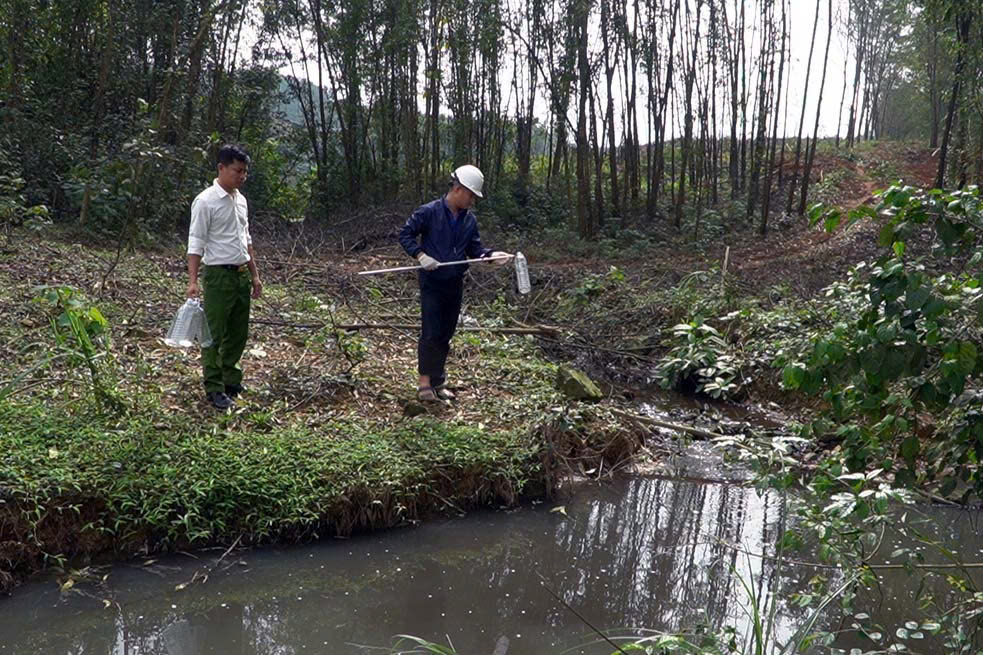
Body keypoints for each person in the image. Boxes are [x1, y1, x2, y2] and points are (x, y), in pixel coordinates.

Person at [399, 164, 511, 402]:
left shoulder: (469, 221)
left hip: (454, 282)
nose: (472, 200)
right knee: (431, 331)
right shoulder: (428, 212)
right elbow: (405, 234)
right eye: (471, 195)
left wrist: (490, 256)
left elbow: (475, 249)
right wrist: (420, 255)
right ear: (458, 189)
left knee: (446, 332)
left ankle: (438, 381)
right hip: (432, 281)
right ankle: (424, 383)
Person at [186, 144, 263, 409]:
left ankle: (231, 379)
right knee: (214, 333)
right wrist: (193, 280)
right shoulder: (206, 201)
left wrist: (254, 275)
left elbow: (247, 240)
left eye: (244, 172)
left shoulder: (240, 200)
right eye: (237, 171)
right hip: (218, 275)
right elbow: (195, 242)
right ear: (221, 168)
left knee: (238, 331)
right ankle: (214, 386)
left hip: (241, 274)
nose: (241, 177)